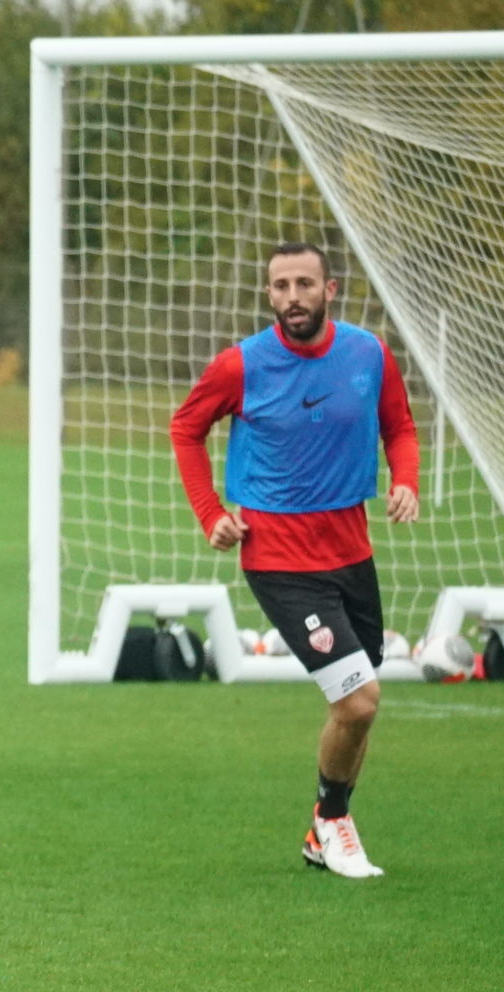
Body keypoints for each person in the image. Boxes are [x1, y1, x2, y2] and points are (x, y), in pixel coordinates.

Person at [170, 241, 418, 879]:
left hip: (352, 553)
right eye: (280, 286)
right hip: (279, 559)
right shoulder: (240, 365)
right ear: (268, 293)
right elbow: (186, 429)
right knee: (360, 700)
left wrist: (406, 480)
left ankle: (322, 830)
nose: (292, 297)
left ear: (329, 290)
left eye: (304, 283)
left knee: (354, 708)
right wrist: (211, 513)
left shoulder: (369, 353)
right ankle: (333, 823)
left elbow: (399, 427)